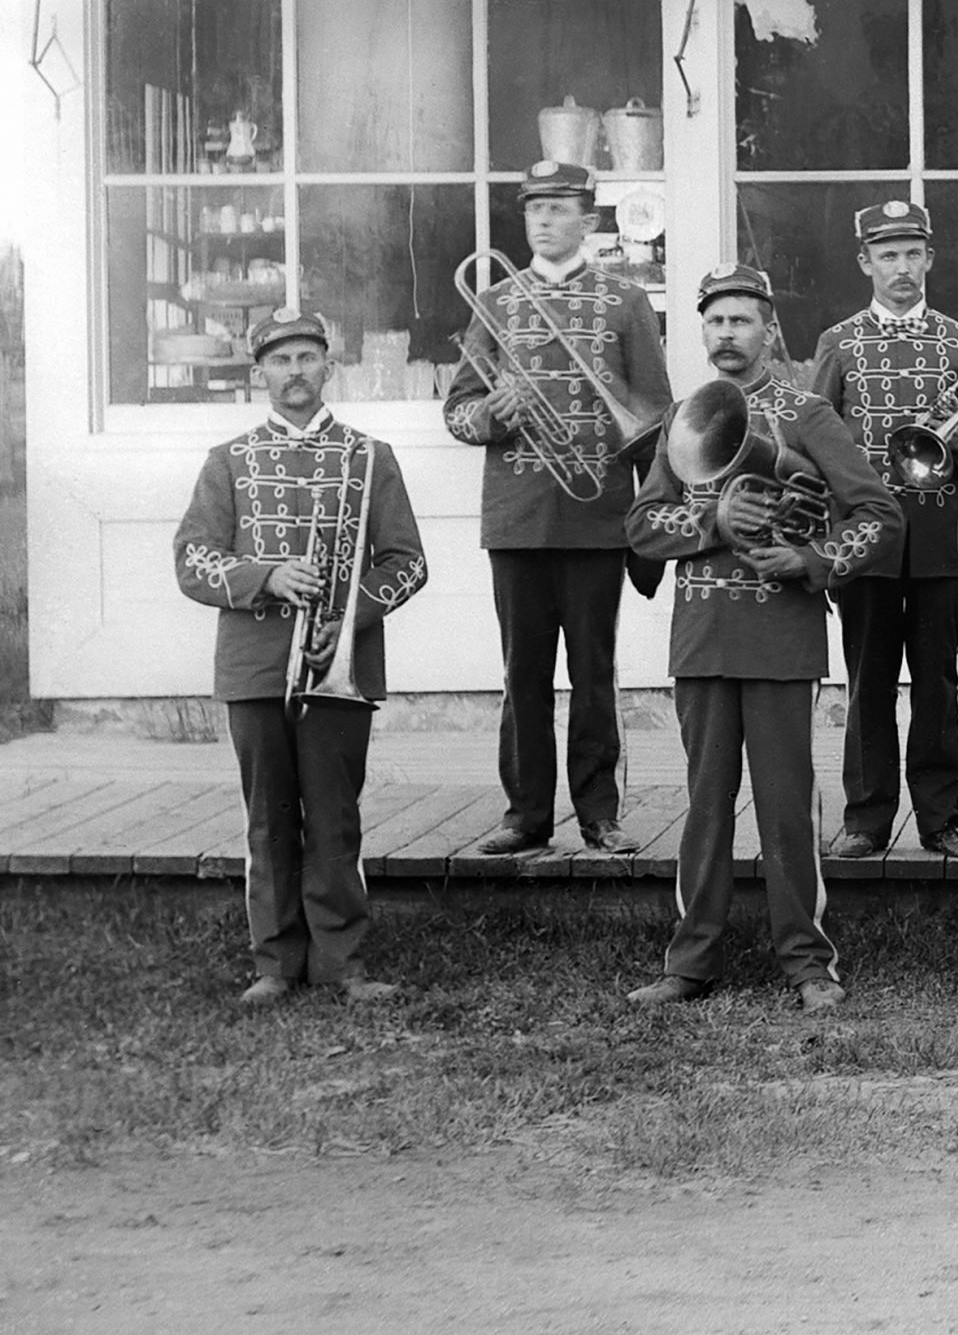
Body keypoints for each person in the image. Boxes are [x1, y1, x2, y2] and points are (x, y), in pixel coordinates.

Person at [624, 264, 904, 1012]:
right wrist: (713, 522)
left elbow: (879, 513)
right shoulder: (685, 416)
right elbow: (643, 526)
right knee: (704, 803)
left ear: (769, 329)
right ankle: (691, 960)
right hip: (704, 637)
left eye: (741, 320)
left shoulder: (808, 414)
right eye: (715, 320)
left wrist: (813, 559)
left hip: (782, 638)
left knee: (786, 805)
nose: (726, 333)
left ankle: (809, 962)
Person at [174, 309, 429, 1006]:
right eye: (280, 360)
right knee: (268, 816)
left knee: (334, 815)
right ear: (259, 373)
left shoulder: (371, 455)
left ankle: (341, 961)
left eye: (307, 357)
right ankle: (275, 963)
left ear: (328, 366)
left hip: (338, 671)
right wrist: (266, 577)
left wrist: (348, 619)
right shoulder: (227, 459)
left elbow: (408, 563)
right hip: (256, 667)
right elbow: (193, 561)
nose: (295, 371)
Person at [443, 160, 671, 858]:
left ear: (589, 220)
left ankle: (598, 813)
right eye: (534, 208)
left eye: (560, 207)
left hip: (598, 514)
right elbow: (455, 411)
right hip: (517, 515)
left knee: (594, 673)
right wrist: (492, 413)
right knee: (523, 674)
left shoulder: (626, 301)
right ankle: (525, 815)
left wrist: (648, 526)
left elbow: (656, 419)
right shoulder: (496, 301)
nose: (544, 219)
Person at [807, 199, 958, 860]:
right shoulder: (839, 341)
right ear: (865, 262)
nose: (902, 268)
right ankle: (867, 817)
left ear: (930, 258)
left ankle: (939, 816)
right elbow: (811, 442)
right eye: (888, 255)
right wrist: (827, 547)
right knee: (869, 679)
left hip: (939, 540)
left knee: (937, 681)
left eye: (913, 253)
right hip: (864, 543)